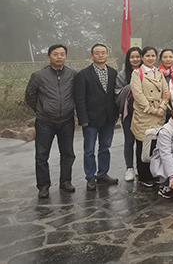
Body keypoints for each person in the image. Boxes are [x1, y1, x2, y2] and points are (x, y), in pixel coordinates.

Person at [25, 44, 77, 199]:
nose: (59, 57)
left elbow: (77, 94)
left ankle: (65, 181)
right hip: (45, 122)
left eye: (62, 54)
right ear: (49, 57)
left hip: (66, 120)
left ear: (66, 56)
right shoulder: (38, 76)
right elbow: (30, 96)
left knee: (68, 153)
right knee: (42, 155)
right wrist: (41, 110)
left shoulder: (73, 75)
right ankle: (43, 186)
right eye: (55, 54)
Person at [74, 44, 119, 191]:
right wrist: (83, 118)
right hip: (91, 119)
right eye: (97, 53)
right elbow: (80, 98)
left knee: (105, 148)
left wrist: (116, 114)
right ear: (92, 56)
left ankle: (102, 174)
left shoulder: (113, 72)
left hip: (108, 118)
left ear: (107, 54)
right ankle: (90, 177)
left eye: (103, 53)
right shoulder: (83, 74)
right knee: (89, 150)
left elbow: (114, 95)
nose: (100, 55)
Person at [130, 46, 170, 187]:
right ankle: (144, 176)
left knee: (156, 145)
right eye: (147, 56)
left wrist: (162, 107)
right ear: (142, 57)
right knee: (143, 144)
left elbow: (166, 92)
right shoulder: (137, 73)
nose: (150, 58)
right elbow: (138, 95)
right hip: (145, 114)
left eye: (153, 55)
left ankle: (155, 173)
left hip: (159, 113)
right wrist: (152, 109)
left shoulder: (159, 73)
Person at [115, 46, 142, 182]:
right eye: (132, 57)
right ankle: (129, 168)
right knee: (129, 141)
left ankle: (141, 167)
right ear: (128, 59)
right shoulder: (122, 75)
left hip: (144, 113)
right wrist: (132, 87)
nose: (135, 59)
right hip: (128, 113)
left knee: (142, 141)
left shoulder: (146, 72)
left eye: (138, 56)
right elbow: (117, 93)